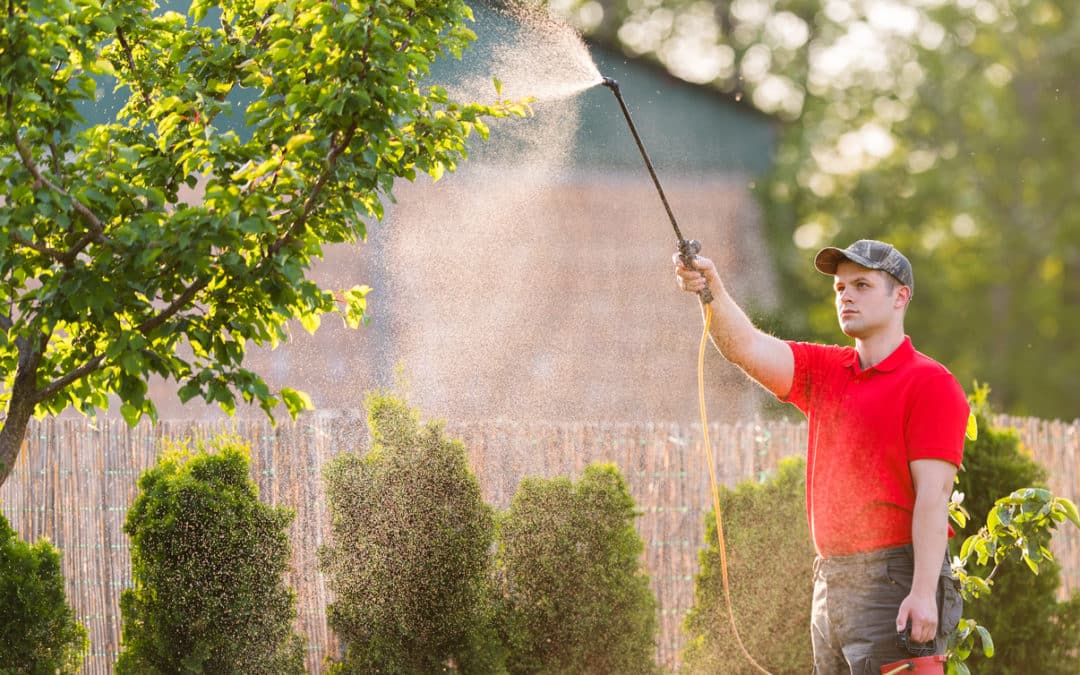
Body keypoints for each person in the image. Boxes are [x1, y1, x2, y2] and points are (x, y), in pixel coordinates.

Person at [674, 239, 967, 673]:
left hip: (894, 581)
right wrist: (710, 288)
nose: (846, 295)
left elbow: (934, 496)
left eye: (862, 285)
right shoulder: (825, 370)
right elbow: (746, 347)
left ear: (900, 296)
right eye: (840, 288)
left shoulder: (930, 382)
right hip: (830, 581)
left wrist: (923, 593)